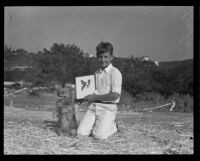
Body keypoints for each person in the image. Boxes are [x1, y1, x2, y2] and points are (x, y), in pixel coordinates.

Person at [77, 41, 122, 140]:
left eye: (106, 57)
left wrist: (95, 97)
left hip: (107, 108)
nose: (103, 60)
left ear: (111, 57)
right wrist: (80, 99)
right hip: (93, 107)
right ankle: (99, 124)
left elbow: (115, 96)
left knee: (99, 136)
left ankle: (113, 126)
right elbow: (90, 93)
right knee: (80, 134)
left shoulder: (115, 73)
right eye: (100, 57)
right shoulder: (96, 73)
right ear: (97, 57)